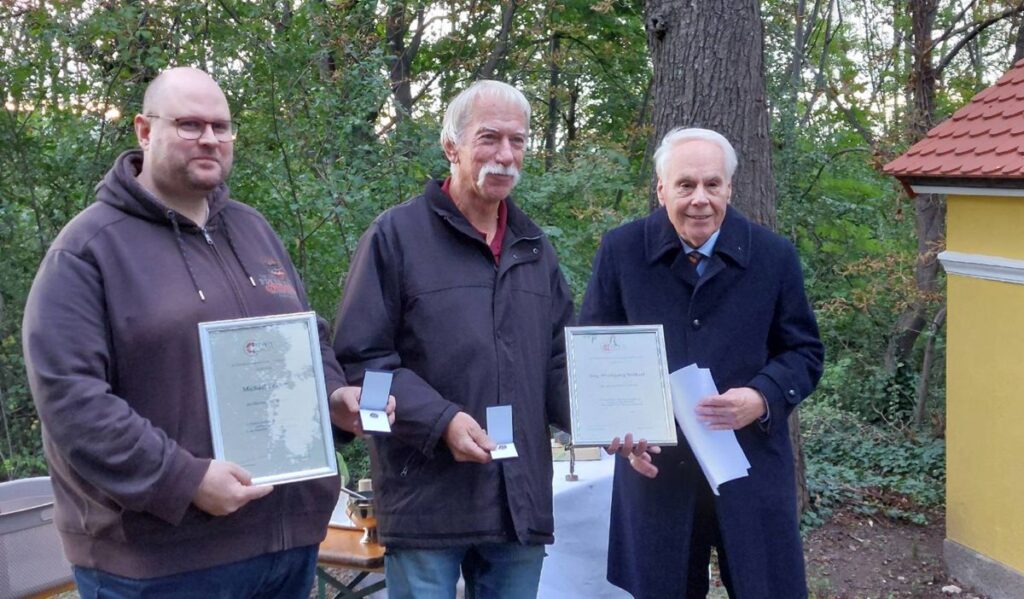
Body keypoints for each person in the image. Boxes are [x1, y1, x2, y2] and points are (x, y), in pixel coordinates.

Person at [21, 67, 389, 598]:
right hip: (162, 562)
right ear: (144, 132)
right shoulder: (88, 250)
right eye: (190, 125)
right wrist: (184, 480)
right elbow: (71, 402)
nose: (210, 139)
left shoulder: (252, 230)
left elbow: (307, 337)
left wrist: (332, 396)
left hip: (282, 547)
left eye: (221, 126)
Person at [333, 79, 574, 598]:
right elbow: (362, 360)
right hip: (427, 500)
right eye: (489, 138)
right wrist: (442, 421)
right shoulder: (395, 237)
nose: (506, 155)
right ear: (451, 146)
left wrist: (611, 418)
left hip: (518, 502)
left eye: (519, 140)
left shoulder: (535, 249)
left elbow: (557, 362)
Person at [579, 127, 824, 598]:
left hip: (749, 465)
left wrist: (763, 395)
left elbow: (805, 351)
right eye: (685, 185)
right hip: (656, 473)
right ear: (661, 189)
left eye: (713, 184)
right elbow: (595, 353)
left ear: (730, 188)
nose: (700, 199)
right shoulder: (622, 252)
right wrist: (621, 432)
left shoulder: (773, 256)